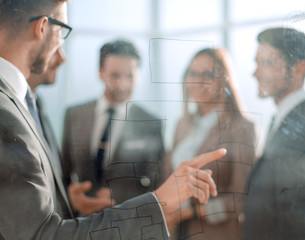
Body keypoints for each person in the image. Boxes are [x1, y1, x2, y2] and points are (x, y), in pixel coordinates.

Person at [0, 0, 226, 239]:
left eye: (130, 75)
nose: (62, 55)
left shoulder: (18, 102)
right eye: (62, 31)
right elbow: (45, 232)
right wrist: (159, 203)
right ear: (42, 27)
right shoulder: (12, 110)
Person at [242, 27, 305, 240]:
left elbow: (299, 228)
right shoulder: (289, 120)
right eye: (257, 62)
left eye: (267, 63)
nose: (255, 73)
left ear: (298, 68)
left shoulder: (301, 132)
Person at [162, 48, 257, 239]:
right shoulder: (182, 124)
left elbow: (240, 200)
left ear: (224, 80)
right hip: (176, 233)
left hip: (216, 234)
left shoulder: (242, 128)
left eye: (208, 74)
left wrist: (190, 213)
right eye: (193, 73)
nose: (198, 81)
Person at [62, 39, 165, 213]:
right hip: (80, 221)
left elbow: (156, 182)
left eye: (130, 76)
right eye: (115, 75)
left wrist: (117, 198)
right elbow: (64, 172)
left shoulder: (151, 123)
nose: (123, 84)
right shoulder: (74, 116)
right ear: (101, 73)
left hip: (127, 222)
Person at [27, 47, 114, 216]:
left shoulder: (37, 104)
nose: (62, 59)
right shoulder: (74, 114)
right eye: (53, 49)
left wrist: (69, 200)